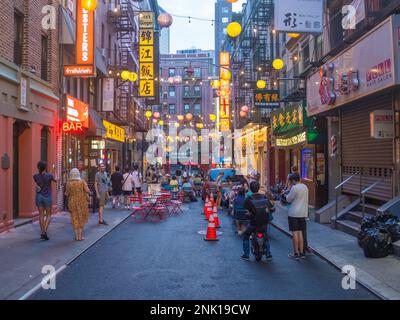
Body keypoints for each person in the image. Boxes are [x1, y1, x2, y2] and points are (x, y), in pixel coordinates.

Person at [241, 181, 274, 261]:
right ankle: (268, 254)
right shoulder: (264, 197)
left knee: (246, 235)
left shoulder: (248, 198)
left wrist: (247, 214)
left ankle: (246, 254)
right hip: (264, 223)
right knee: (265, 236)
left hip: (254, 222)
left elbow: (245, 209)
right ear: (258, 188)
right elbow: (271, 206)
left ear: (250, 189)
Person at [286, 173, 309, 260]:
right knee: (300, 233)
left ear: (293, 180)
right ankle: (302, 252)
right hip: (303, 213)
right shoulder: (305, 187)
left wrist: (287, 192)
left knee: (295, 233)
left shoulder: (294, 188)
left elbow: (288, 199)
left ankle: (296, 253)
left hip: (294, 213)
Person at [33, 161, 57, 240]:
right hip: (47, 196)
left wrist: (50, 173)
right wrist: (54, 171)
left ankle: (42, 232)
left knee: (41, 215)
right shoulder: (49, 175)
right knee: (49, 215)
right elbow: (56, 180)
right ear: (45, 167)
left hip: (39, 196)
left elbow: (41, 179)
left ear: (38, 167)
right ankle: (44, 232)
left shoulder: (35, 176)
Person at [65, 168, 90, 241]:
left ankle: (76, 236)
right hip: (82, 202)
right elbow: (87, 190)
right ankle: (80, 236)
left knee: (74, 218)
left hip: (72, 202)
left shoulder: (68, 183)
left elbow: (67, 193)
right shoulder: (82, 182)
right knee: (81, 218)